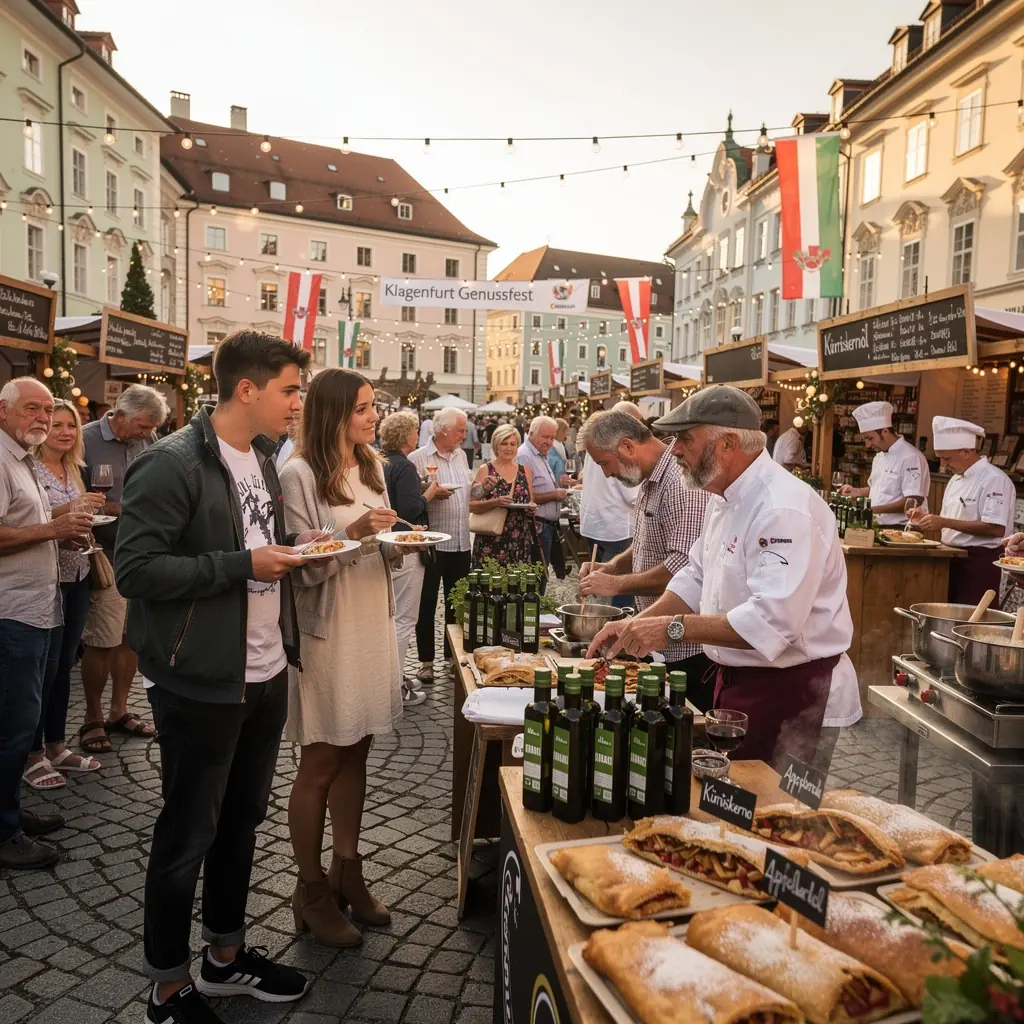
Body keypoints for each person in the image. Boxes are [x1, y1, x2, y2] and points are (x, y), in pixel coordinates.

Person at [115, 331, 319, 1023]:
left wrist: (298, 549)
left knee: (241, 822)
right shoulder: (171, 463)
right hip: (198, 678)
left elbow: (258, 545)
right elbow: (136, 570)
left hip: (263, 672)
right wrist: (242, 566)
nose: (297, 403)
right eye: (290, 390)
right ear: (247, 389)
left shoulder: (262, 457)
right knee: (186, 836)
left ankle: (224, 959)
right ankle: (168, 987)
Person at [587, 386, 853, 769]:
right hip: (738, 682)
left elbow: (770, 623)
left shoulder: (783, 509)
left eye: (685, 439)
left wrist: (671, 629)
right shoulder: (723, 496)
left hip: (795, 691)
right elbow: (694, 575)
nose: (674, 449)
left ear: (727, 443)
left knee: (779, 814)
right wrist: (637, 623)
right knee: (733, 799)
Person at [280, 368, 401, 948]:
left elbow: (377, 545)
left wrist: (395, 541)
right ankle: (309, 889)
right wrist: (355, 532)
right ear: (332, 413)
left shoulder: (372, 464)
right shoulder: (297, 473)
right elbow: (299, 563)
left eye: (373, 407)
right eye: (362, 408)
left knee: (359, 749)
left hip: (370, 621)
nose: (372, 416)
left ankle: (347, 870)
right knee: (323, 759)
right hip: (328, 630)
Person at [0, 379, 92, 869]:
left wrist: (67, 523)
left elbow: (27, 522)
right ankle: (4, 831)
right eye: (31, 409)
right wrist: (53, 529)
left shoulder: (23, 457)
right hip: (9, 611)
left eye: (46, 409)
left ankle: (9, 815)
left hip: (35, 607)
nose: (40, 417)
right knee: (13, 727)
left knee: (19, 722)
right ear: (3, 410)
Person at [577, 406, 714, 707]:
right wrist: (611, 567)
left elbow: (681, 568)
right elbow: (643, 543)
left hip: (686, 648)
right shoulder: (652, 478)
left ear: (627, 445)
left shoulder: (680, 484)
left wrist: (616, 586)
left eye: (604, 463)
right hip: (661, 639)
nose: (607, 473)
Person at [80, 384, 168, 754]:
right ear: (121, 415)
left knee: (131, 637)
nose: (149, 433)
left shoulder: (147, 442)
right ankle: (92, 717)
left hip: (141, 553)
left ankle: (119, 710)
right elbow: (71, 496)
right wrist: (113, 508)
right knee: (102, 640)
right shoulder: (84, 440)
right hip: (105, 554)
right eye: (145, 426)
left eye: (152, 428)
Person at [24, 399, 104, 790]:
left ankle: (56, 744)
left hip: (78, 573)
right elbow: (31, 520)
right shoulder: (29, 467)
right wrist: (72, 509)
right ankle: (33, 752)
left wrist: (86, 516)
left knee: (65, 665)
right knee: (46, 668)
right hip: (47, 577)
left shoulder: (73, 468)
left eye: (71, 425)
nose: (65, 431)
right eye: (56, 424)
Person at [909, 416, 1015, 606]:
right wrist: (925, 519)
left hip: (979, 563)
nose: (943, 464)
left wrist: (943, 522)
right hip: (950, 560)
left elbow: (995, 528)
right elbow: (953, 519)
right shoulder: (955, 479)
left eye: (947, 458)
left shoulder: (994, 479)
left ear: (967, 452)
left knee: (975, 625)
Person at [410, 408, 471, 680]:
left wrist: (482, 488)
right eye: (460, 430)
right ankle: (425, 662)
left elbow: (468, 493)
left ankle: (451, 657)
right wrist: (432, 493)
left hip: (461, 542)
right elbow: (413, 502)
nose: (464, 435)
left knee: (456, 604)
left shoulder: (461, 456)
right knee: (426, 603)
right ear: (443, 430)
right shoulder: (418, 459)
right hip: (433, 544)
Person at [381, 409, 437, 706]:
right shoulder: (403, 466)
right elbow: (409, 508)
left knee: (395, 616)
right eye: (415, 430)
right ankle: (396, 684)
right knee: (404, 618)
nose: (418, 435)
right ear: (406, 435)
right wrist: (428, 494)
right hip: (405, 547)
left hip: (389, 545)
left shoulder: (383, 460)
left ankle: (394, 677)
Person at [579, 402, 641, 611]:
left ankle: (598, 617)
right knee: (617, 590)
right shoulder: (616, 447)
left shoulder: (596, 443)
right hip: (616, 526)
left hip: (595, 523)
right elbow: (631, 495)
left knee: (601, 579)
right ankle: (613, 622)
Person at [839, 402, 929, 524]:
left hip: (901, 529)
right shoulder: (879, 456)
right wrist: (857, 491)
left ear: (885, 431)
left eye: (870, 438)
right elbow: (880, 490)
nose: (868, 445)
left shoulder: (910, 457)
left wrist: (873, 510)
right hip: (878, 525)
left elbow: (913, 500)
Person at [470, 424, 540, 568]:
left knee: (517, 586)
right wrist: (496, 502)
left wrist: (531, 508)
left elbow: (531, 501)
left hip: (520, 539)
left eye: (513, 444)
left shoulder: (525, 470)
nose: (509, 448)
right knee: (490, 586)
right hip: (491, 539)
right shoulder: (486, 470)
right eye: (504, 443)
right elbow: (472, 505)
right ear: (496, 446)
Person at [516, 417, 568, 572]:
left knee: (542, 575)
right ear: (531, 433)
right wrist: (554, 495)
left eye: (552, 437)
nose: (550, 442)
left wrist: (560, 485)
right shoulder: (525, 456)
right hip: (536, 527)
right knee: (537, 577)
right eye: (545, 437)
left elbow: (539, 487)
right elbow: (522, 497)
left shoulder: (541, 453)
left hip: (546, 527)